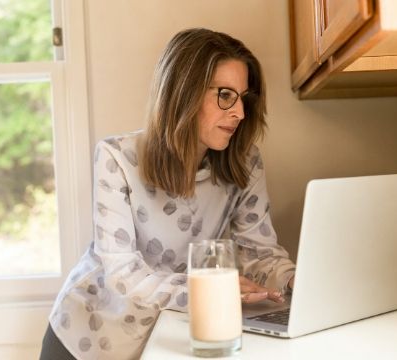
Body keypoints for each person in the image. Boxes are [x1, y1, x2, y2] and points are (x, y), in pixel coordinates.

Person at [39, 27, 296, 360]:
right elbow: (122, 275)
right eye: (225, 95)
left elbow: (259, 255)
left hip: (165, 337)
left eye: (243, 97)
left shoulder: (245, 164)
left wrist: (295, 281)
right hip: (87, 336)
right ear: (183, 93)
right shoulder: (116, 157)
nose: (239, 113)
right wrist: (210, 291)